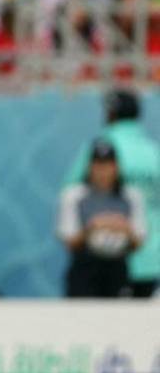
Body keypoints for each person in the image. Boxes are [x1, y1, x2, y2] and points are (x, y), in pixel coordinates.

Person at [65, 89, 160, 297]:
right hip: (152, 256)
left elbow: (72, 194)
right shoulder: (154, 152)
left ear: (110, 114)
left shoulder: (102, 147)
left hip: (108, 259)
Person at [57, 139, 147, 297]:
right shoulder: (73, 196)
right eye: (98, 165)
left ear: (116, 167)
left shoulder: (131, 196)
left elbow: (138, 242)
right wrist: (92, 228)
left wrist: (124, 229)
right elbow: (70, 242)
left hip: (117, 270)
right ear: (89, 167)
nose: (103, 171)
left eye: (108, 165)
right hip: (84, 271)